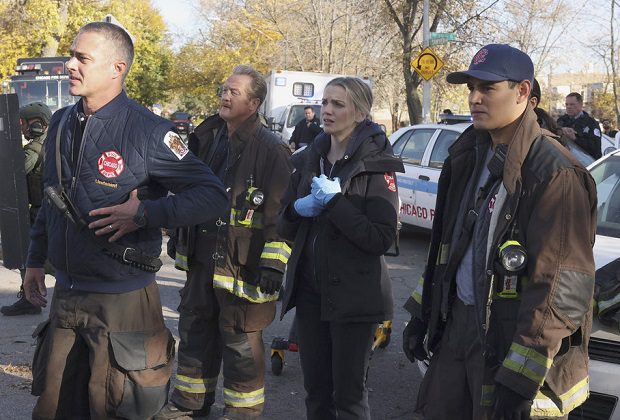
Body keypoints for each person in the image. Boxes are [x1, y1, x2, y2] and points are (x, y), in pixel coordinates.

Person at [23, 21, 228, 419]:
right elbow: (50, 201)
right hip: (65, 301)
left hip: (124, 302)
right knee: (55, 409)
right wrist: (35, 260)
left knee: (119, 408)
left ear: (116, 68)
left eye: (82, 57)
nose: (69, 64)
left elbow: (212, 196)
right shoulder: (61, 123)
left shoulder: (153, 132)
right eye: (71, 55)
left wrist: (146, 214)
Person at [402, 44, 596, 419]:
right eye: (471, 87)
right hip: (459, 327)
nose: (474, 98)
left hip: (509, 342)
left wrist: (523, 378)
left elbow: (560, 286)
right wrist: (423, 313)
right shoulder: (469, 155)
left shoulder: (555, 174)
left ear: (523, 92)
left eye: (487, 88)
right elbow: (449, 249)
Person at [155, 65, 293, 420]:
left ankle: (241, 413)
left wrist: (273, 263)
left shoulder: (272, 150)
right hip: (203, 259)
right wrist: (179, 233)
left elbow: (281, 213)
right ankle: (188, 404)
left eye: (234, 92)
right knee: (195, 330)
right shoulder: (209, 138)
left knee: (240, 341)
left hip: (243, 264)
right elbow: (193, 192)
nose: (225, 96)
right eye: (224, 89)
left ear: (255, 102)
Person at [277, 77, 404, 419]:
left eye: (338, 104)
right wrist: (296, 209)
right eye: (325, 102)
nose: (327, 111)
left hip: (354, 297)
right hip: (309, 293)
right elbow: (282, 223)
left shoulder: (378, 163)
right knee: (315, 393)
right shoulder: (309, 158)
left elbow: (380, 238)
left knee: (347, 397)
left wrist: (336, 204)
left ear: (360, 113)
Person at [1, 102, 53, 316]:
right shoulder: (49, 143)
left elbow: (12, 173)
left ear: (38, 124)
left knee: (38, 257)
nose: (21, 129)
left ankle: (83, 291)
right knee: (29, 254)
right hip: (44, 210)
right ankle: (30, 299)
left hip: (42, 212)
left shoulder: (34, 149)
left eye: (23, 123)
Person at [557, 92, 602, 159]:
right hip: (564, 162)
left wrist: (575, 138)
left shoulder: (591, 123)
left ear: (581, 105)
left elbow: (596, 148)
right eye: (567, 104)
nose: (568, 107)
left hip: (585, 164)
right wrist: (560, 131)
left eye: (572, 104)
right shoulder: (561, 121)